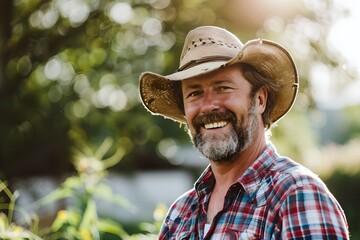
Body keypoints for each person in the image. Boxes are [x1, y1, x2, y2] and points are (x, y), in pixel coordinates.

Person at [139, 26, 349, 239]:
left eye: (223, 88)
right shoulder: (180, 214)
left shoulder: (297, 195)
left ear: (259, 100)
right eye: (195, 93)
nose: (209, 105)